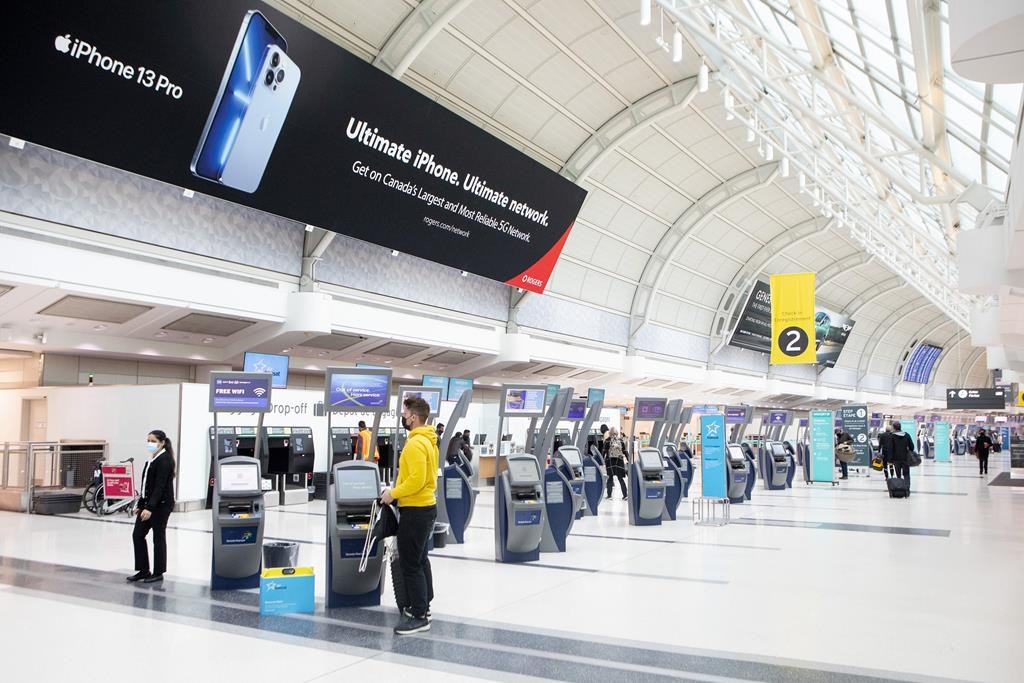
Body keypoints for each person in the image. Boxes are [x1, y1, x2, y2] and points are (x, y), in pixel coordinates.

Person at [381, 396, 438, 636]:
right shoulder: (429, 441)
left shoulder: (416, 444)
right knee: (420, 559)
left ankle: (418, 615)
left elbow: (416, 480)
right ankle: (424, 604)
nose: (403, 418)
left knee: (410, 563)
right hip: (426, 508)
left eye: (405, 414)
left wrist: (391, 494)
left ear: (413, 417)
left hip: (415, 510)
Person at [127, 430, 176, 583]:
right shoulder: (152, 459)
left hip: (161, 505)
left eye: (153, 440)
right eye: (148, 440)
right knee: (138, 535)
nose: (150, 443)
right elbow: (146, 485)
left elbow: (160, 486)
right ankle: (143, 570)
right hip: (150, 504)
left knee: (158, 537)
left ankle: (158, 572)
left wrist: (150, 508)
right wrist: (141, 505)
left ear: (162, 443)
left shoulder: (165, 460)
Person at [881, 420, 914, 496]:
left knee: (898, 475)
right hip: (905, 458)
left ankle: (900, 489)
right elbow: (912, 447)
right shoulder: (906, 435)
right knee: (906, 474)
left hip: (896, 459)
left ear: (894, 428)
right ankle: (907, 489)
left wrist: (890, 460)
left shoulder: (891, 436)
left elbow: (890, 449)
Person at [604, 427, 628, 500]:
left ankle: (609, 495)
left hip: (610, 461)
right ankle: (625, 495)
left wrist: (601, 460)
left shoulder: (607, 441)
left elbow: (604, 451)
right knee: (620, 479)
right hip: (619, 461)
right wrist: (628, 459)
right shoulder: (620, 441)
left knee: (610, 478)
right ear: (617, 433)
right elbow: (625, 451)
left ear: (610, 433)